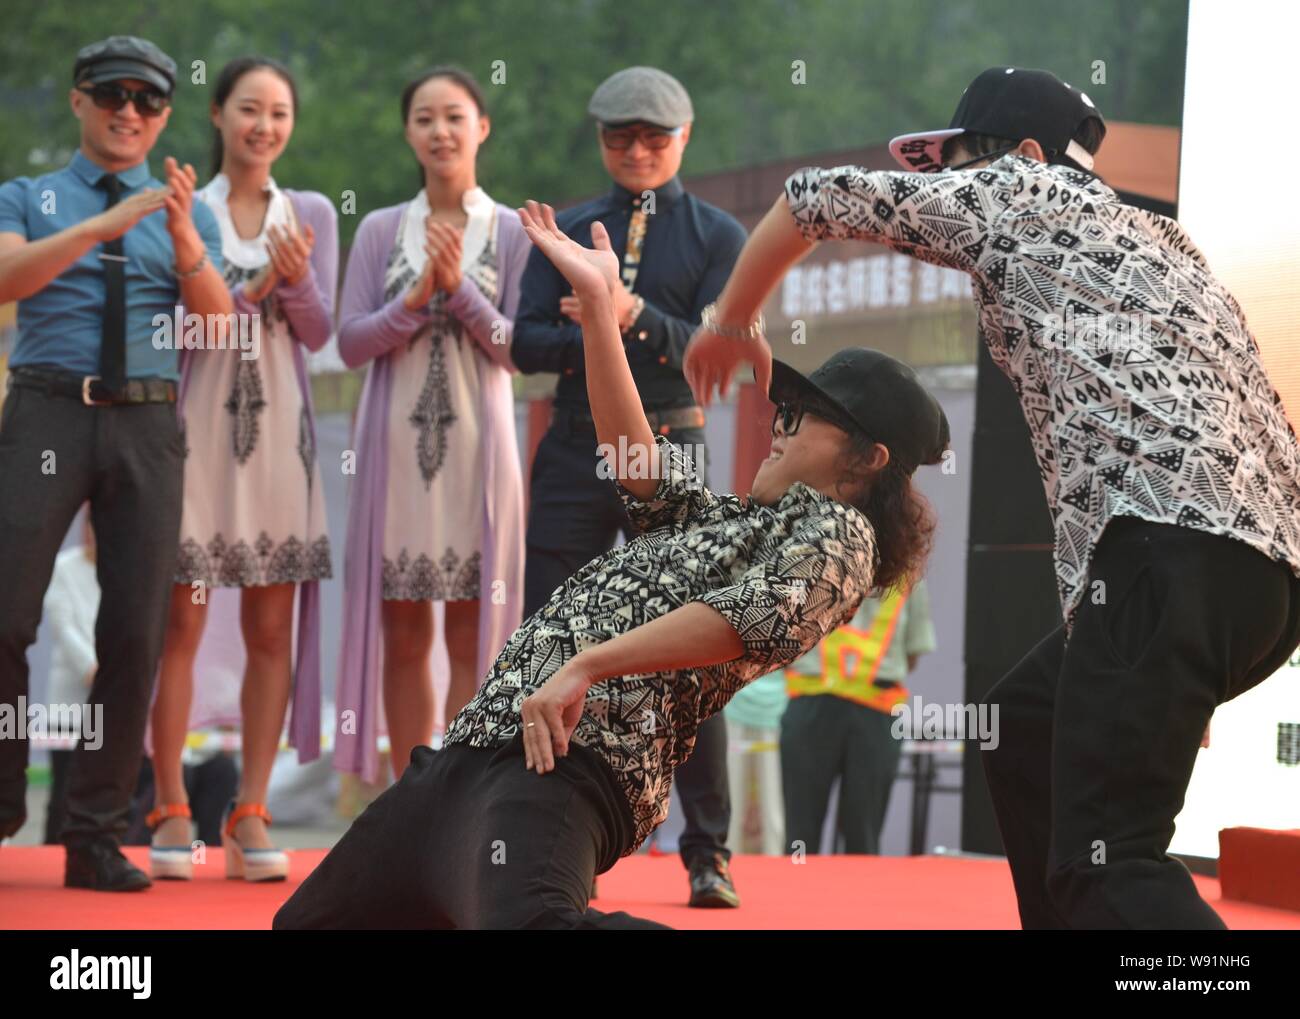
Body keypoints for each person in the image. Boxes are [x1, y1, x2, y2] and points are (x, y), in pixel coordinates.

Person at [680, 66, 1300, 929]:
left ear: (1029, 155)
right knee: (1023, 725)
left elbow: (812, 197)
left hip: (1169, 560)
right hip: (1263, 579)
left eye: (959, 165)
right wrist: (1183, 652)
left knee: (1111, 860)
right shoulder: (1173, 247)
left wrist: (731, 319)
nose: (945, 192)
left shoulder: (1019, 192)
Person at [272, 200, 949, 930]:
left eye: (802, 417)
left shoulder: (843, 534)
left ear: (867, 458)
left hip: (569, 759)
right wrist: (598, 310)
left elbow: (743, 619)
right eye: (781, 410)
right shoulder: (734, 519)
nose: (777, 427)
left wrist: (586, 665)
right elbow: (634, 461)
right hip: (470, 752)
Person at [512, 65, 748, 907]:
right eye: (621, 136)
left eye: (654, 136)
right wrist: (579, 314)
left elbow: (716, 350)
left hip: (672, 450)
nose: (638, 150)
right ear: (602, 140)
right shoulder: (566, 225)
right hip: (575, 446)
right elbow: (523, 344)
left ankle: (708, 850)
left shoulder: (720, 233)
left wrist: (627, 315)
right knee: (548, 634)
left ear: (684, 139)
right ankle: (533, 833)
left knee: (698, 641)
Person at [0, 35, 229, 891]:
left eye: (145, 100)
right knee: (6, 611)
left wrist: (180, 234)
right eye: (110, 95)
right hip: (49, 406)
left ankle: (95, 831)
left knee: (135, 632)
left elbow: (215, 325)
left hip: (145, 420)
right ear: (78, 101)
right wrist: (101, 223)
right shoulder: (29, 194)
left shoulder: (184, 205)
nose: (127, 111)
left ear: (165, 114)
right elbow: (6, 280)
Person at [148, 56, 337, 882]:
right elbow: (181, 333)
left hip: (281, 439)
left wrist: (291, 282)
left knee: (270, 628)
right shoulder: (185, 211)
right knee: (181, 624)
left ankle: (250, 808)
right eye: (249, 109)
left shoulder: (311, 212)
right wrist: (215, 264)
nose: (265, 125)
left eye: (280, 113)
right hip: (194, 435)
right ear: (218, 114)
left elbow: (323, 330)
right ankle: (167, 804)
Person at [334, 66, 527, 785]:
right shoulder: (383, 229)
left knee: (475, 629)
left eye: (455, 117)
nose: (440, 131)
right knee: (405, 627)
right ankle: (406, 793)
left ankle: (460, 793)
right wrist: (416, 298)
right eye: (424, 119)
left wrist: (464, 297)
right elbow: (350, 342)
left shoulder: (509, 231)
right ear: (408, 133)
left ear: (482, 128)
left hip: (483, 451)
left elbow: (520, 347)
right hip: (395, 453)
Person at [780, 580, 935, 855]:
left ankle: (796, 888)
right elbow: (912, 655)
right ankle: (850, 891)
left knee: (801, 836)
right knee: (862, 833)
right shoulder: (909, 572)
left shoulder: (808, 560)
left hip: (815, 703)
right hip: (873, 707)